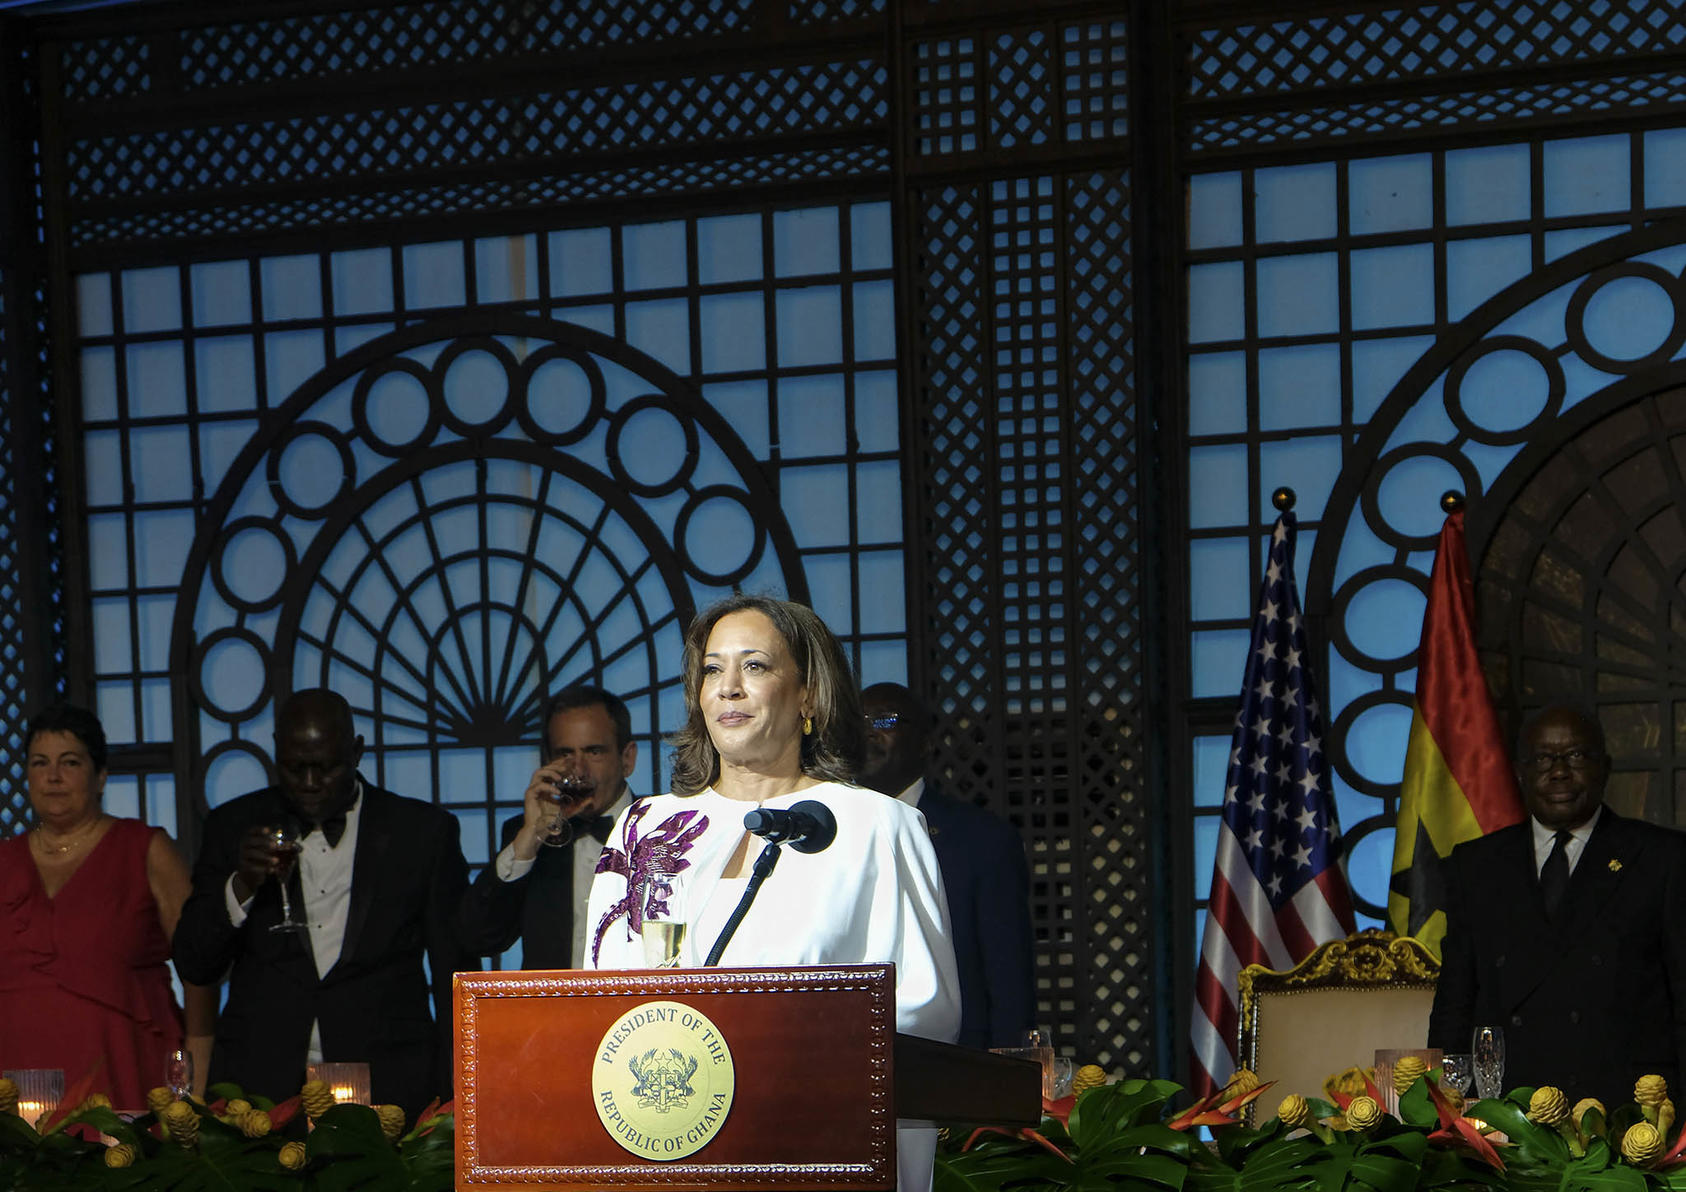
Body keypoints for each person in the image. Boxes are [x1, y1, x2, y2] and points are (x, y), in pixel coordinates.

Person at [585, 594, 960, 1192]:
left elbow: (923, 1012)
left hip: (811, 1153)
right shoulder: (643, 828)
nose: (728, 687)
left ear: (809, 694)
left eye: (755, 666)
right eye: (713, 669)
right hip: (663, 1154)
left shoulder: (875, 826)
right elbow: (596, 1005)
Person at [172, 688, 476, 1119]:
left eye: (326, 767)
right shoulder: (233, 826)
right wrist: (242, 884)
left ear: (356, 753)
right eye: (295, 769)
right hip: (261, 1091)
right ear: (276, 753)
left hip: (391, 1087)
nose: (310, 784)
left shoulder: (423, 833)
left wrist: (457, 1101)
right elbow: (194, 962)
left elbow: (455, 975)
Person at [1428, 702, 1686, 1107]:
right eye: (1543, 758)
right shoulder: (1475, 864)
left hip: (1626, 1108)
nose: (1559, 771)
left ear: (1606, 767)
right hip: (1507, 1107)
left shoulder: (1662, 857)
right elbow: (1455, 1000)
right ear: (1519, 771)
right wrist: (1443, 1108)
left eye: (1576, 756)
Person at [0, 704, 215, 1109]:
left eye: (70, 762)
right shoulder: (4, 861)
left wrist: (198, 1066)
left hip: (121, 1067)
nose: (53, 777)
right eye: (39, 763)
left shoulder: (143, 848)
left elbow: (200, 967)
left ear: (100, 776)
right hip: (16, 1079)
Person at [859, 682, 1035, 1050]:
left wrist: (1008, 1072)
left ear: (925, 742)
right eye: (856, 722)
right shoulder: (827, 830)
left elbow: (1007, 973)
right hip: (853, 1047)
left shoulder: (982, 838)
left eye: (885, 719)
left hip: (954, 1056)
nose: (868, 731)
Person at [455, 685, 638, 968]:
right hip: (549, 1012)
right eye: (565, 754)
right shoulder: (528, 835)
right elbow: (478, 939)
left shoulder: (662, 828)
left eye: (593, 752)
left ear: (627, 759)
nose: (578, 770)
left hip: (642, 1011)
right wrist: (530, 840)